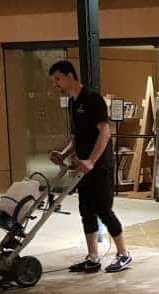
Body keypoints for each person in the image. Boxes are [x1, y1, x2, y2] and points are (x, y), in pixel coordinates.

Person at [48, 60, 132, 273]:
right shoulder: (73, 103)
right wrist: (64, 154)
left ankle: (123, 253)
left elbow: (105, 132)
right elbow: (78, 137)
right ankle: (93, 257)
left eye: (58, 79)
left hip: (100, 166)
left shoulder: (93, 99)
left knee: (103, 210)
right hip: (82, 167)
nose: (56, 84)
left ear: (70, 76)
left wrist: (92, 161)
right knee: (86, 210)